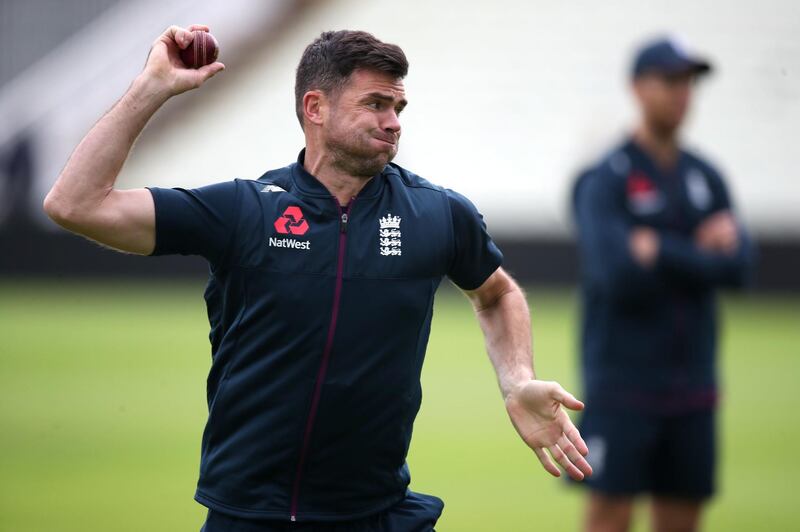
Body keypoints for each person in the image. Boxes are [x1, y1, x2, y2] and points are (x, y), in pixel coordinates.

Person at [44, 26, 592, 531]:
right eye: (375, 103)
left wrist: (517, 380)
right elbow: (76, 204)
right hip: (247, 513)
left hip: (377, 513)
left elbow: (495, 292)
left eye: (398, 106)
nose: (394, 120)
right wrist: (152, 88)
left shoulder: (438, 213)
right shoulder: (245, 210)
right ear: (316, 108)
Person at [572, 37, 755, 532]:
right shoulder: (605, 178)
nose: (683, 93)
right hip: (621, 387)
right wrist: (699, 250)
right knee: (609, 515)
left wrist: (661, 248)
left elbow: (740, 267)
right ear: (637, 87)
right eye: (670, 80)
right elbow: (618, 274)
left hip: (694, 387)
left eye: (690, 82)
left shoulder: (705, 175)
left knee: (682, 517)